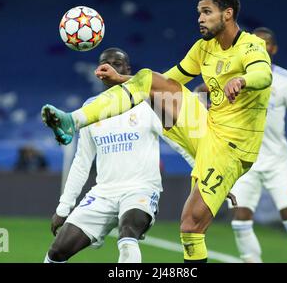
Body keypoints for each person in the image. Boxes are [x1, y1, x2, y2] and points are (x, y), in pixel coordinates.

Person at [42, 0, 272, 262]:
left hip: (232, 147)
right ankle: (73, 121)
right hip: (207, 126)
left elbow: (263, 74)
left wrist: (243, 80)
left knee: (190, 226)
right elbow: (165, 83)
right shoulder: (203, 48)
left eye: (207, 12)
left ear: (228, 14)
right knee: (150, 77)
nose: (200, 18)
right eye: (198, 12)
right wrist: (124, 80)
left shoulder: (251, 46)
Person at [44, 48, 194, 263]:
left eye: (117, 63)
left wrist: (206, 173)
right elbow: (82, 162)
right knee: (57, 252)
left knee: (127, 233)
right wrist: (64, 206)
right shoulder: (90, 109)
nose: (111, 66)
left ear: (127, 70)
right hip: (103, 193)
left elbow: (180, 142)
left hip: (140, 189)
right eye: (105, 62)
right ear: (99, 71)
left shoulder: (148, 103)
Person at [219, 27, 287, 263]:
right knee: (240, 220)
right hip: (243, 161)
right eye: (256, 43)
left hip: (276, 161)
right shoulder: (234, 76)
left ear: (274, 49)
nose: (261, 47)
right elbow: (206, 93)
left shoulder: (285, 79)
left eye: (266, 44)